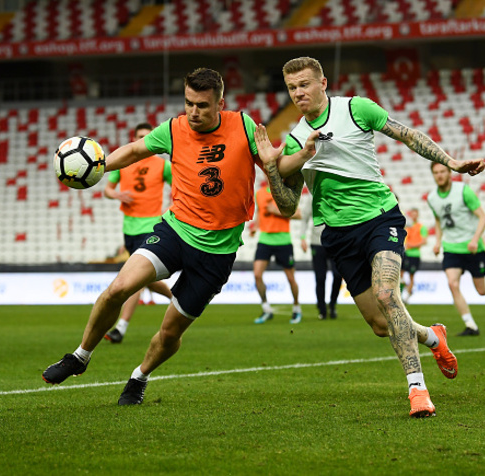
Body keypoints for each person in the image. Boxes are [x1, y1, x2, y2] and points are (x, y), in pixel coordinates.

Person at [42, 68, 302, 406]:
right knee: (117, 289)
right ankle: (79, 356)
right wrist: (100, 166)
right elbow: (136, 150)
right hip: (175, 231)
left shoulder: (244, 126)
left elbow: (277, 166)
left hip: (217, 253)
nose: (193, 112)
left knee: (169, 332)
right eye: (189, 103)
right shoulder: (175, 129)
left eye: (203, 106)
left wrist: (290, 157)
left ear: (220, 103)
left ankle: (139, 377)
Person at [255, 56, 485, 418]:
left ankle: (417, 389)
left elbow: (408, 135)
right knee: (382, 325)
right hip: (337, 235)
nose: (298, 92)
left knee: (386, 293)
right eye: (291, 87)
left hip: (380, 219)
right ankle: (432, 336)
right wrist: (272, 167)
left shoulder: (355, 109)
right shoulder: (298, 138)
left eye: (304, 84)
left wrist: (452, 162)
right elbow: (286, 206)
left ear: (323, 83)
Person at [102, 122, 174, 344]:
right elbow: (107, 189)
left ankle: (120, 328)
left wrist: (169, 210)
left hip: (151, 226)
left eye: (148, 136)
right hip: (129, 227)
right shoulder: (124, 164)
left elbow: (179, 189)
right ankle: (179, 299)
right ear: (134, 139)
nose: (144, 139)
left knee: (134, 279)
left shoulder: (162, 165)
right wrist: (117, 195)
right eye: (140, 136)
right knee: (146, 281)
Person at [428, 162, 485, 336]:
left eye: (443, 171)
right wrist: (437, 242)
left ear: (450, 173)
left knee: (481, 290)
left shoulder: (464, 191)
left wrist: (475, 240)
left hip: (473, 247)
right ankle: (470, 325)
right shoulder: (432, 198)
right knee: (452, 283)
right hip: (451, 247)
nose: (439, 175)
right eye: (436, 172)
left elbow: (483, 218)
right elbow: (438, 220)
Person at [251, 180, 303, 324]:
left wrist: (277, 211)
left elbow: (298, 214)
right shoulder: (260, 193)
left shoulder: (285, 193)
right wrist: (255, 227)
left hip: (283, 240)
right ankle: (266, 308)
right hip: (265, 239)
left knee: (291, 278)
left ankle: (297, 308)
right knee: (257, 275)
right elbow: (259, 214)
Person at [299, 187, 342, 319]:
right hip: (316, 242)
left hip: (335, 242)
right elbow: (304, 218)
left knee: (338, 275)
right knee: (320, 277)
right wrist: (302, 238)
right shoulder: (312, 197)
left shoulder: (336, 194)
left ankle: (332, 304)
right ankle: (322, 309)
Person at [401, 207, 427, 304]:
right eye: (412, 214)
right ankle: (407, 289)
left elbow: (424, 241)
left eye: (415, 214)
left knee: (411, 276)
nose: (414, 216)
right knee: (400, 274)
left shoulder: (421, 227)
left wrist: (412, 245)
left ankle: (407, 297)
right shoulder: (408, 227)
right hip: (405, 253)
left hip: (415, 254)